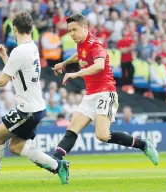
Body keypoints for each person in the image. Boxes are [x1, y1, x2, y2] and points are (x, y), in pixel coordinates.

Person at [0, 11, 69, 184]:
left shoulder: (19, 51)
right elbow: (18, 73)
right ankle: (58, 166)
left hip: (27, 110)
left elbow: (3, 81)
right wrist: (5, 57)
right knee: (16, 146)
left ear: (14, 29)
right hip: (37, 107)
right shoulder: (32, 47)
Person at [52, 14, 159, 166]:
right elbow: (80, 55)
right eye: (69, 31)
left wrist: (75, 74)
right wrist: (64, 62)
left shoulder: (95, 44)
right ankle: (57, 163)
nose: (72, 34)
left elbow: (99, 65)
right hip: (90, 94)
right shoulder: (81, 42)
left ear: (85, 27)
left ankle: (143, 144)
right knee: (72, 127)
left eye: (74, 30)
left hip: (105, 92)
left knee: (102, 135)